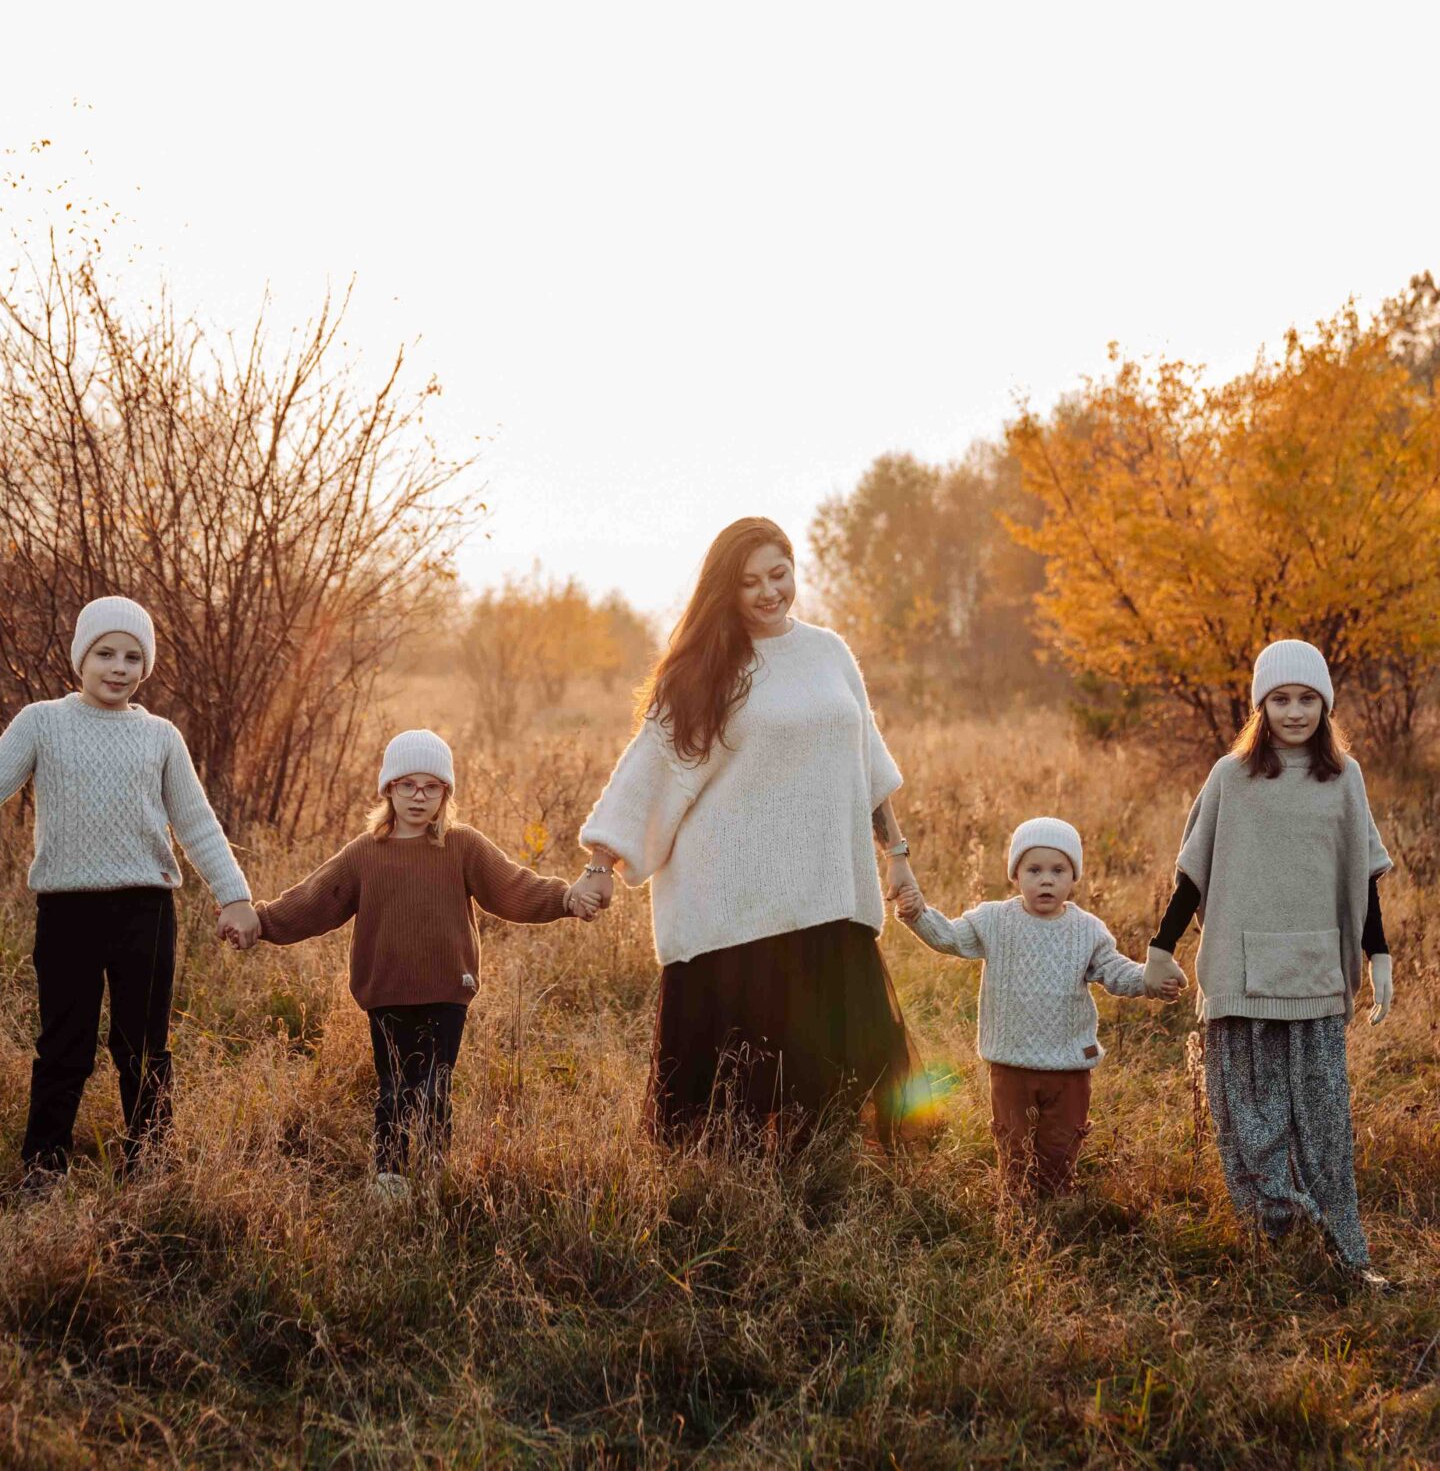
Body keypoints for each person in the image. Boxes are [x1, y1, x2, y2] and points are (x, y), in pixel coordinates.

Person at [575, 516, 924, 1145]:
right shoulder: (707, 670)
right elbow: (649, 773)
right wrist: (600, 866)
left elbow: (865, 761)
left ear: (794, 570)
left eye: (779, 574)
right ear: (724, 590)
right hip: (735, 896)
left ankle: (814, 1179)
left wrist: (896, 854)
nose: (768, 592)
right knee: (735, 1108)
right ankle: (734, 1195)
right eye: (749, 582)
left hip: (826, 889)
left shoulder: (829, 651)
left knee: (823, 1098)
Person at [0, 596, 255, 1182]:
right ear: (80, 658)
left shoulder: (161, 736)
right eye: (105, 653)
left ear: (146, 666)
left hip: (147, 909)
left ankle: (151, 1164)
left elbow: (196, 823)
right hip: (66, 911)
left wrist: (234, 896)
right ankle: (43, 1165)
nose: (119, 667)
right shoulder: (43, 721)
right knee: (65, 1045)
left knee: (143, 1047)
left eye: (133, 657)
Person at [224, 729, 608, 1201]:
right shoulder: (365, 853)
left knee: (433, 1084)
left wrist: (567, 898)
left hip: (448, 989)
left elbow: (512, 887)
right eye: (407, 785)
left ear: (446, 793)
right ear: (388, 789)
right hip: (385, 991)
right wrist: (260, 922)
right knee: (394, 1085)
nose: (419, 796)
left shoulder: (462, 845)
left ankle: (432, 1172)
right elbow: (314, 900)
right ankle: (390, 1175)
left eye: (431, 786)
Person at [1151, 638, 1396, 1285]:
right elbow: (1193, 876)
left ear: (1325, 704)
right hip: (1238, 972)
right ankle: (1282, 1248)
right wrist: (1160, 943)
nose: (1294, 710)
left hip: (1315, 976)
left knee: (1324, 1130)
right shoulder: (1230, 777)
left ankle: (1344, 1255)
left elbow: (1361, 877)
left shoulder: (1344, 778)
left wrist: (1380, 956)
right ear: (1261, 706)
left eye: (1307, 698)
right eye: (1280, 698)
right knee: (1250, 1125)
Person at [895, 816, 1170, 1199]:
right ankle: (1016, 1217)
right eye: (1034, 870)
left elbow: (1114, 971)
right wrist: (918, 914)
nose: (1046, 880)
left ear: (1074, 878)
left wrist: (1148, 979)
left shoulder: (1087, 930)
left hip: (1069, 1068)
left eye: (1058, 870)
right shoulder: (994, 921)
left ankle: (1054, 1213)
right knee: (1014, 1151)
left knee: (1060, 1150)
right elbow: (948, 938)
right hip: (1011, 1066)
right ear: (1016, 875)